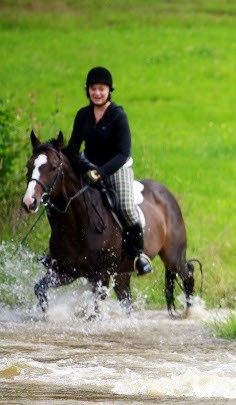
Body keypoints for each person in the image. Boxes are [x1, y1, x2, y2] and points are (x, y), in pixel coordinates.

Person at [65, 66, 152, 275]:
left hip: (116, 169)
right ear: (88, 90)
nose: (97, 93)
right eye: (93, 88)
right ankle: (62, 250)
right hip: (89, 167)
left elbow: (123, 153)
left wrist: (100, 172)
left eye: (101, 89)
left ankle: (138, 254)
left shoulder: (118, 116)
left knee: (126, 207)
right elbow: (73, 148)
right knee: (68, 201)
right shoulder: (82, 115)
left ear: (109, 91)